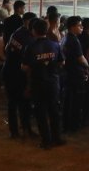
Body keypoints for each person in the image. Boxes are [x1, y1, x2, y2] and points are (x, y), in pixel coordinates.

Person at [23, 19, 65, 149]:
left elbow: (25, 67)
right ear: (46, 31)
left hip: (38, 83)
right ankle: (57, 138)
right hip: (53, 83)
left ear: (34, 31)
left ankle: (46, 140)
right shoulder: (55, 44)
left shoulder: (30, 47)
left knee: (40, 113)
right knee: (54, 111)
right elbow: (61, 62)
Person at [61, 16, 89, 133]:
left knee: (68, 101)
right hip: (75, 74)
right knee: (76, 101)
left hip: (67, 73)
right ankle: (74, 126)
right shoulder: (74, 40)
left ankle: (66, 124)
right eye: (79, 25)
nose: (82, 27)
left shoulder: (65, 38)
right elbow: (81, 58)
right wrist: (87, 67)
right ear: (72, 27)